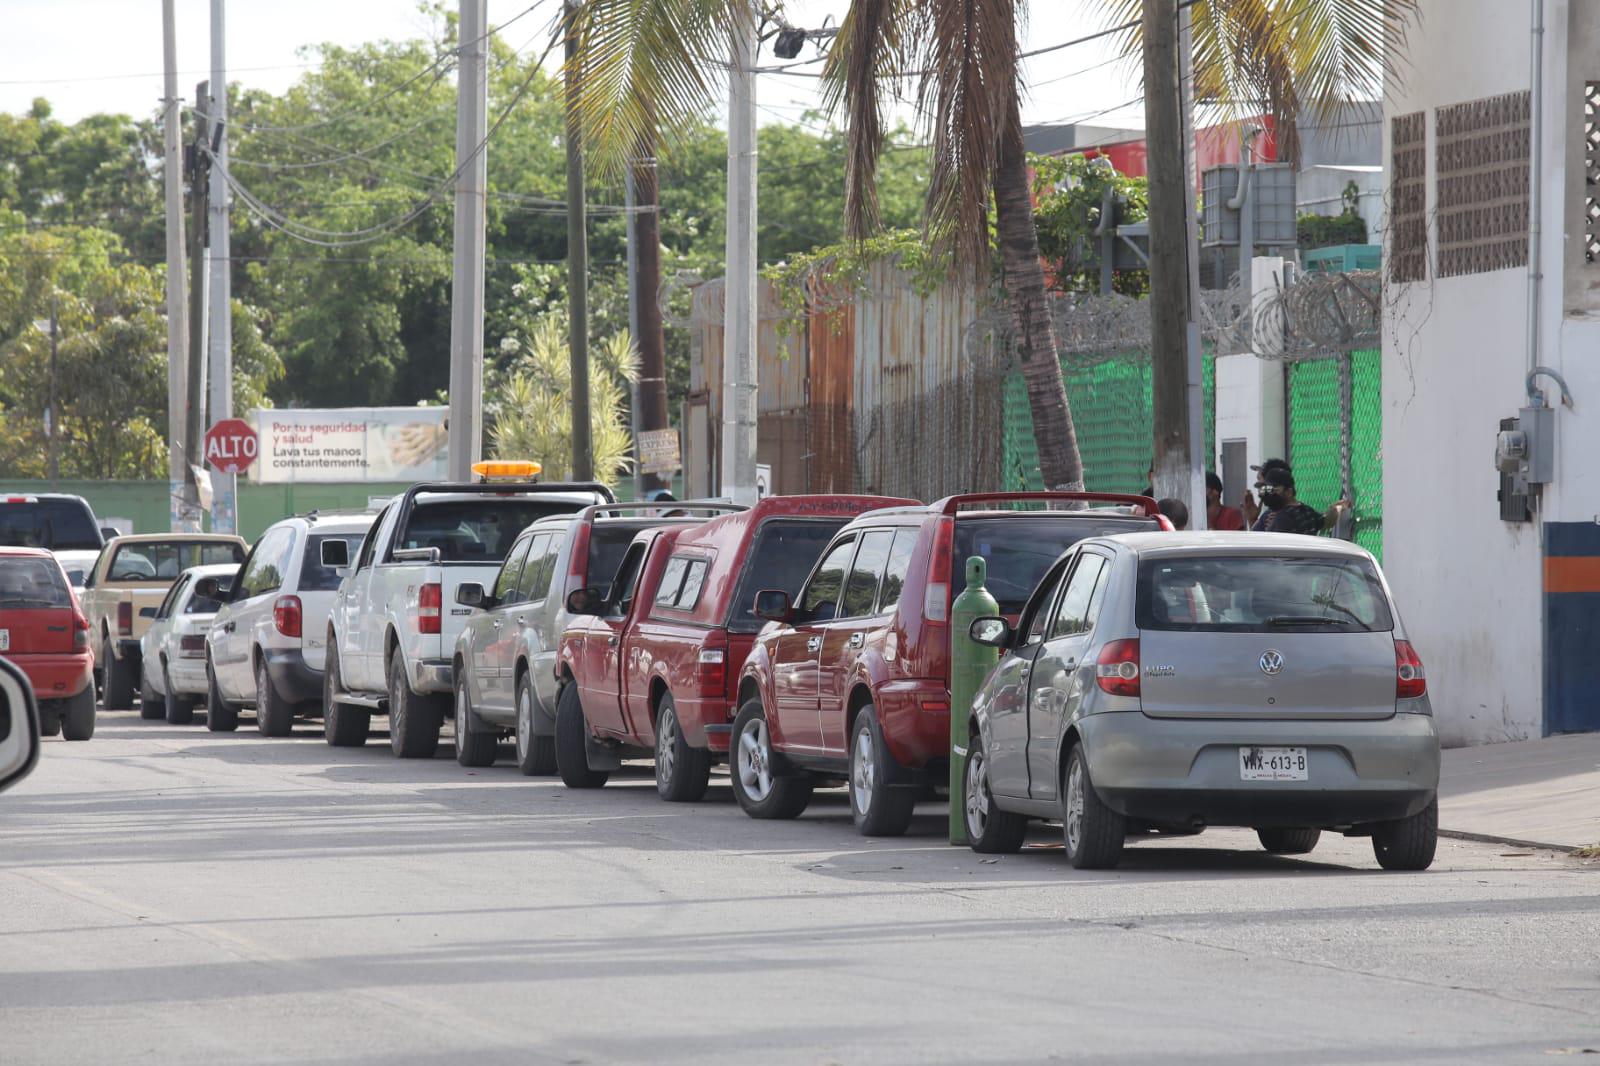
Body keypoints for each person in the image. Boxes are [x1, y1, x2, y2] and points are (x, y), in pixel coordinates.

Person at [1249, 466, 1344, 536]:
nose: (1270, 494)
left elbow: (1263, 546)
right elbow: (1325, 521)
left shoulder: (1282, 517)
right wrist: (1337, 508)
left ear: (1289, 492)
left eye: (1275, 490)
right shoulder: (1306, 511)